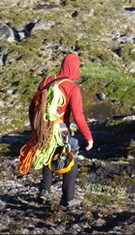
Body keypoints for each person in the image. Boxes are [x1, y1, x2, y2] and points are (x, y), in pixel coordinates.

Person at [29, 53, 93, 207]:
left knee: (47, 155)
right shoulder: (72, 88)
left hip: (44, 127)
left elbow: (33, 106)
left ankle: (44, 191)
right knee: (70, 158)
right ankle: (68, 198)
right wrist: (88, 137)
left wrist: (34, 127)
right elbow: (78, 116)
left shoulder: (47, 81)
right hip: (61, 128)